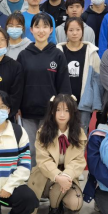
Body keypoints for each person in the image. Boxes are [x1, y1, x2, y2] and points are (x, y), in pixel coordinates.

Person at [17, 13, 71, 167]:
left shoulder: (58, 54)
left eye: (45, 26)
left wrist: (62, 109)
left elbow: (64, 85)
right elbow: (18, 84)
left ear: (51, 30)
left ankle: (49, 177)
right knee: (31, 149)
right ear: (31, 30)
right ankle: (32, 177)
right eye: (37, 26)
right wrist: (17, 107)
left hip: (50, 113)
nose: (41, 30)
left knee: (49, 149)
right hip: (27, 112)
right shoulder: (24, 55)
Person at [28, 94, 86, 214]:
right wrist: (58, 176)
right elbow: (43, 160)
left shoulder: (78, 133)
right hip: (46, 175)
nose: (62, 114)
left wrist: (66, 175)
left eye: (67, 110)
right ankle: (53, 211)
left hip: (67, 174)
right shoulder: (43, 132)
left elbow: (78, 160)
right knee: (59, 182)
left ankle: (58, 200)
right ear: (52, 111)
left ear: (72, 112)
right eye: (58, 109)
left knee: (76, 203)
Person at [57, 18, 102, 134]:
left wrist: (96, 102)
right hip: (62, 102)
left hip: (84, 101)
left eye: (78, 29)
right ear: (66, 32)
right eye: (71, 30)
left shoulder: (91, 52)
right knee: (61, 133)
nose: (74, 33)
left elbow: (97, 79)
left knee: (81, 134)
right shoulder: (58, 51)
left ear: (82, 31)